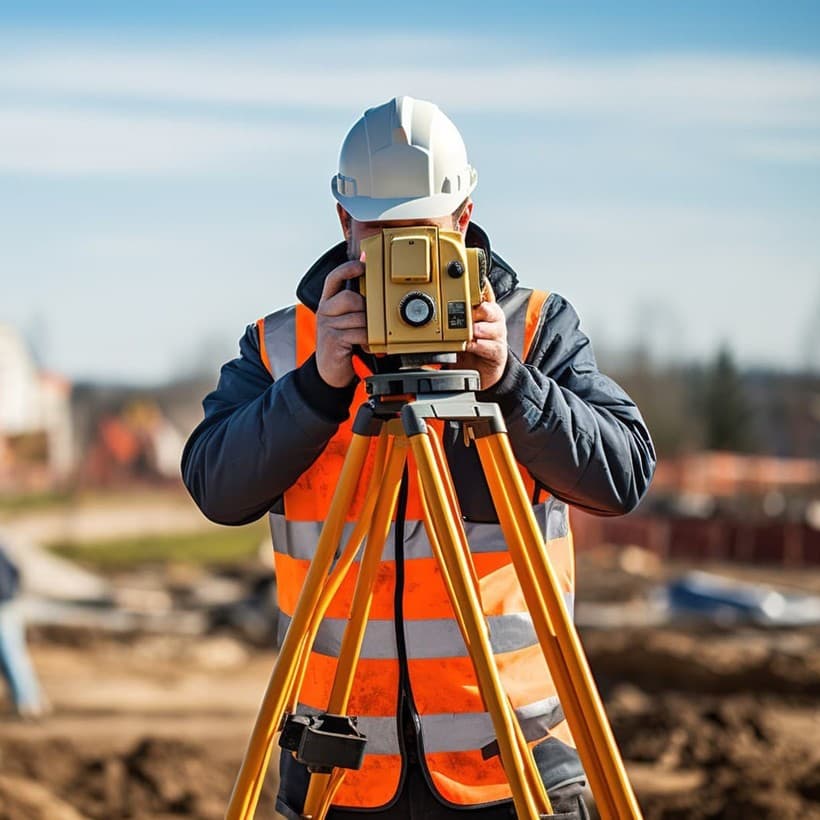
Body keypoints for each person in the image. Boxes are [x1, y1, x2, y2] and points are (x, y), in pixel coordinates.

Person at [182, 96, 655, 819]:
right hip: (337, 766)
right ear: (344, 223)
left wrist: (511, 384)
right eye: (382, 235)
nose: (403, 262)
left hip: (515, 766)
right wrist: (315, 387)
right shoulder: (286, 346)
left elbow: (622, 475)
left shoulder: (532, 330)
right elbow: (216, 486)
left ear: (464, 219)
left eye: (422, 235)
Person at [0, 544, 47, 719]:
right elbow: (16, 571)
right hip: (10, 603)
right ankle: (27, 699)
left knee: (11, 655)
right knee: (12, 656)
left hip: (4, 605)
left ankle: (28, 702)